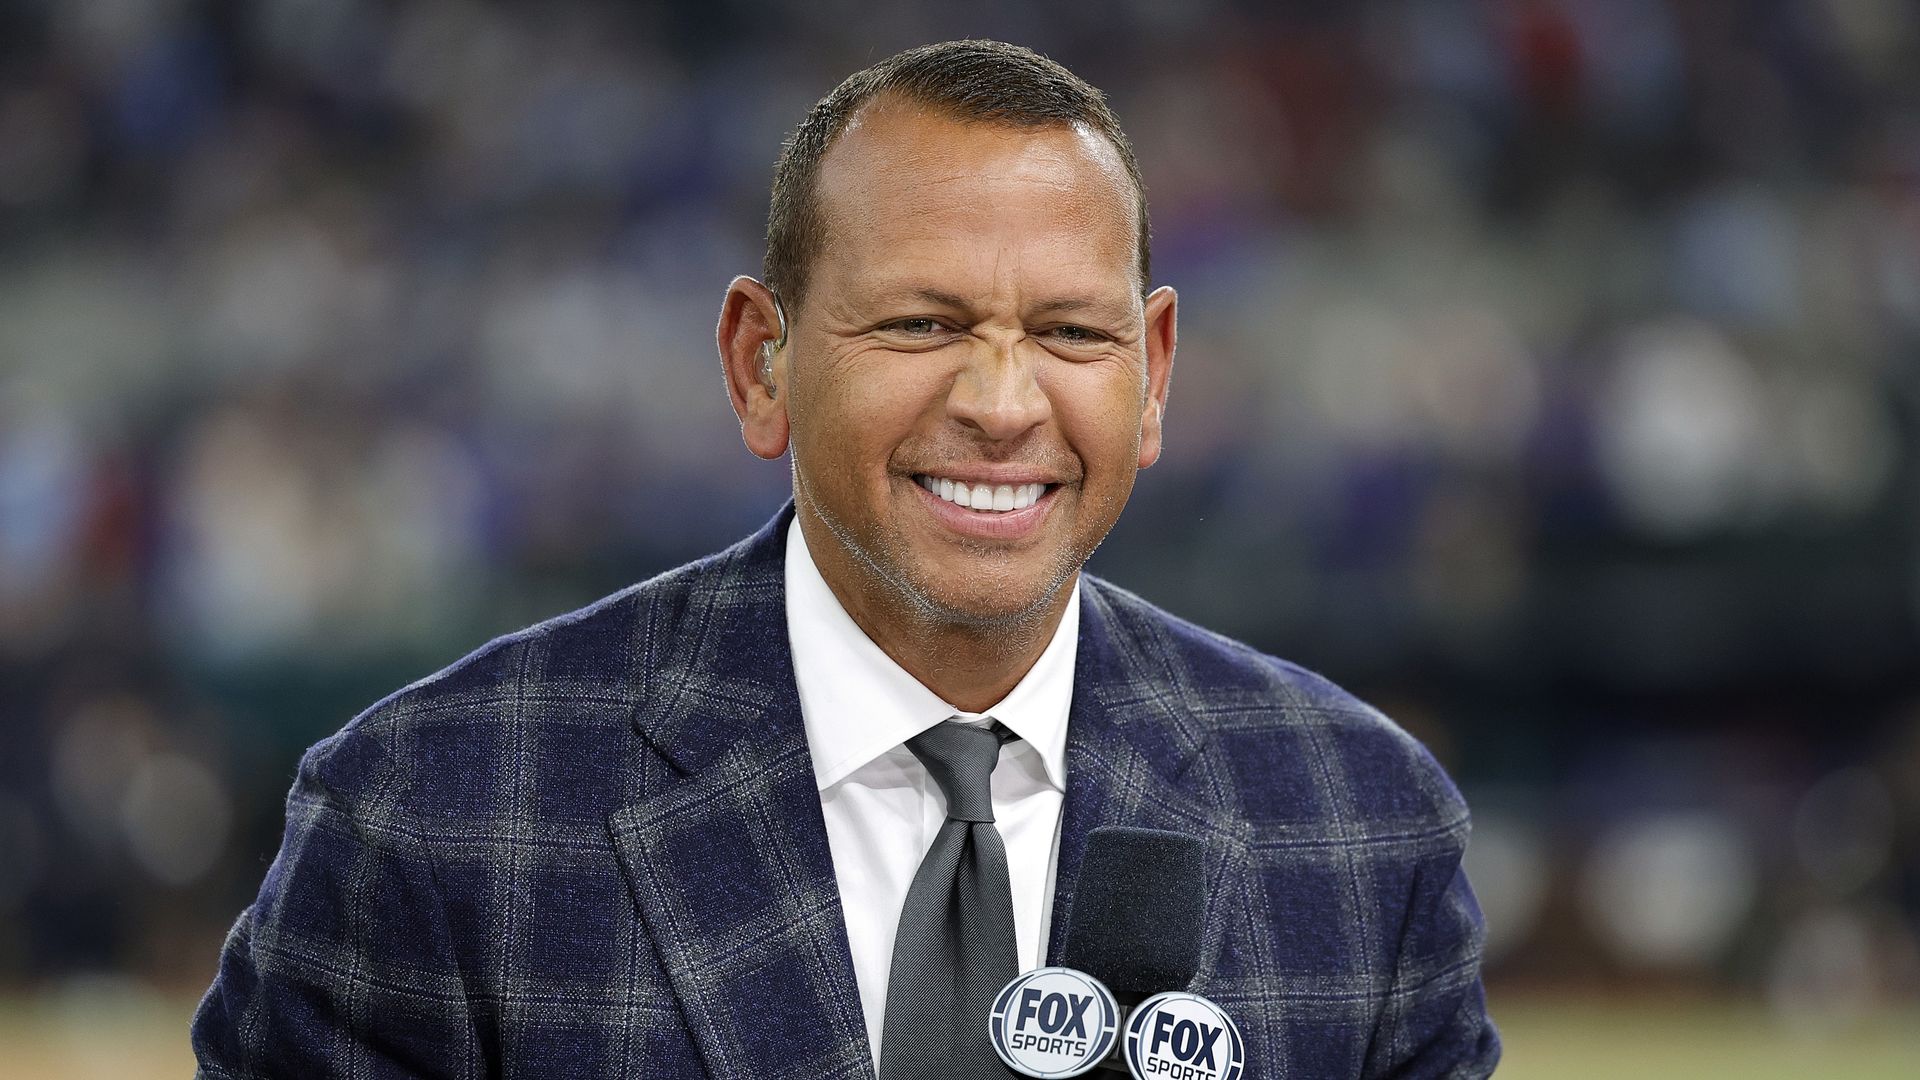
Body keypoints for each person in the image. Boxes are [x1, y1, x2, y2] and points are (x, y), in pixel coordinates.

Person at [192, 40, 1499, 1079]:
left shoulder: (1361, 830)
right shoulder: (428, 819)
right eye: (922, 324)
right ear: (760, 364)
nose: (1003, 403)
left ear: (1153, 376)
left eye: (1070, 334)